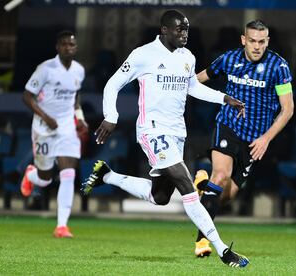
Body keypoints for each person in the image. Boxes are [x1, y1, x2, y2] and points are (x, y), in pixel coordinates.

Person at [80, 10, 249, 268]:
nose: (185, 34)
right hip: (152, 130)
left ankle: (107, 175)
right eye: (180, 29)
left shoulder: (187, 57)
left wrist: (223, 98)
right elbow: (112, 84)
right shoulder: (143, 55)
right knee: (186, 184)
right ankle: (223, 250)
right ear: (164, 30)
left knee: (159, 196)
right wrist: (111, 116)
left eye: (187, 29)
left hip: (177, 133)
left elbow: (192, 87)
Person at [192, 20, 294, 257]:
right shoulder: (229, 59)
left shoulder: (278, 67)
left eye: (262, 42)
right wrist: (172, 89)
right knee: (221, 174)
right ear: (243, 40)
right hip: (228, 126)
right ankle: (202, 242)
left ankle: (204, 185)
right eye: (252, 41)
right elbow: (198, 80)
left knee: (225, 198)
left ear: (267, 41)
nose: (257, 46)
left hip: (254, 141)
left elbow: (287, 109)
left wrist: (266, 139)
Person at [20, 30, 88, 238]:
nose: (69, 48)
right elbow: (27, 96)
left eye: (72, 45)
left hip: (67, 126)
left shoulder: (79, 70)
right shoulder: (46, 69)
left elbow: (75, 96)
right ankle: (31, 174)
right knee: (45, 178)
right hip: (43, 128)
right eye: (65, 45)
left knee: (69, 173)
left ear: (76, 48)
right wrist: (46, 116)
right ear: (57, 47)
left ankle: (61, 225)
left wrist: (80, 117)